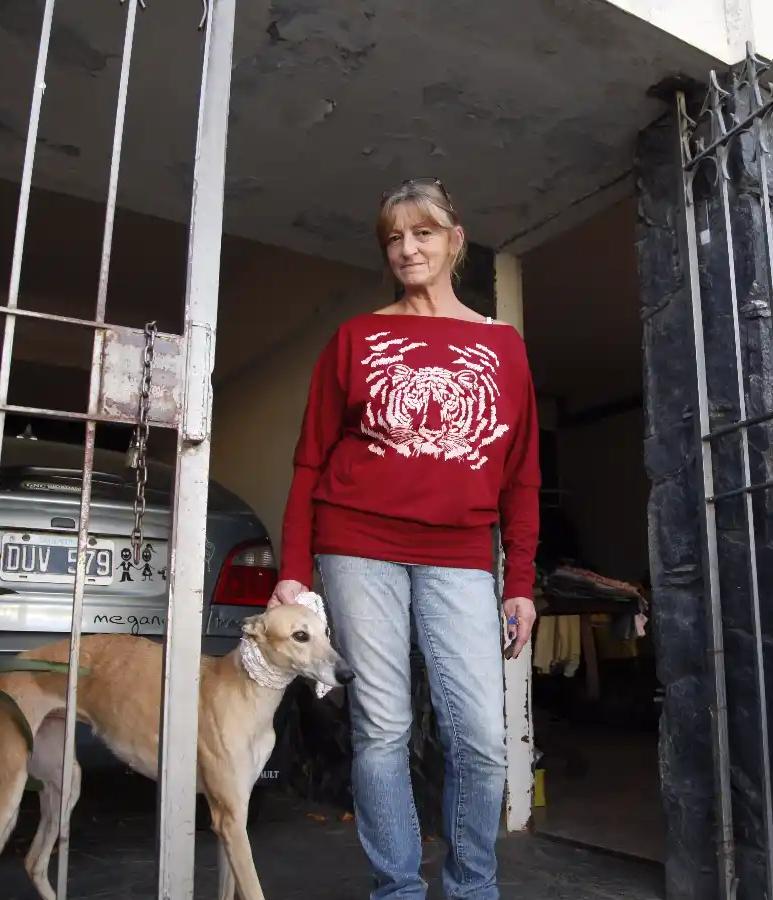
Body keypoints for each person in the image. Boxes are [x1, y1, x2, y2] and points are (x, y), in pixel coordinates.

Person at [268, 177, 541, 899]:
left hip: (460, 555)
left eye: (422, 233)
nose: (407, 248)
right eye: (394, 237)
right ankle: (397, 888)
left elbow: (521, 477)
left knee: (481, 735)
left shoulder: (502, 347)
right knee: (382, 726)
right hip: (356, 546)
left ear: (455, 240)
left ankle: (472, 885)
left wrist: (519, 584)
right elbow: (309, 459)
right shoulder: (356, 337)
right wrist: (295, 569)